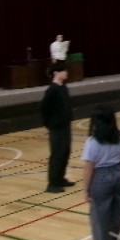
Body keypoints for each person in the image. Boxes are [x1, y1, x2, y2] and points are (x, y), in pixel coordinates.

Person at [82, 106, 120, 240]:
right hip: (118, 176)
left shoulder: (92, 142)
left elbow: (89, 168)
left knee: (101, 224)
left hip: (101, 179)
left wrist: (85, 190)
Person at [40, 61, 74, 193]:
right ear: (56, 73)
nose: (66, 73)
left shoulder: (63, 87)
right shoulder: (52, 90)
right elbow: (44, 108)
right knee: (57, 154)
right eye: (63, 70)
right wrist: (49, 124)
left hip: (65, 125)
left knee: (65, 152)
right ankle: (52, 183)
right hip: (57, 127)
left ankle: (60, 178)